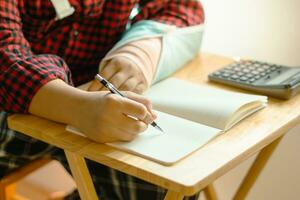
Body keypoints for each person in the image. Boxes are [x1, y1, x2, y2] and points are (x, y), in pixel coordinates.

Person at [0, 0, 205, 199]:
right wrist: (76, 107)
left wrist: (138, 53)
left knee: (162, 185)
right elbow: (5, 56)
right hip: (12, 105)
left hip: (93, 98)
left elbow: (180, 6)